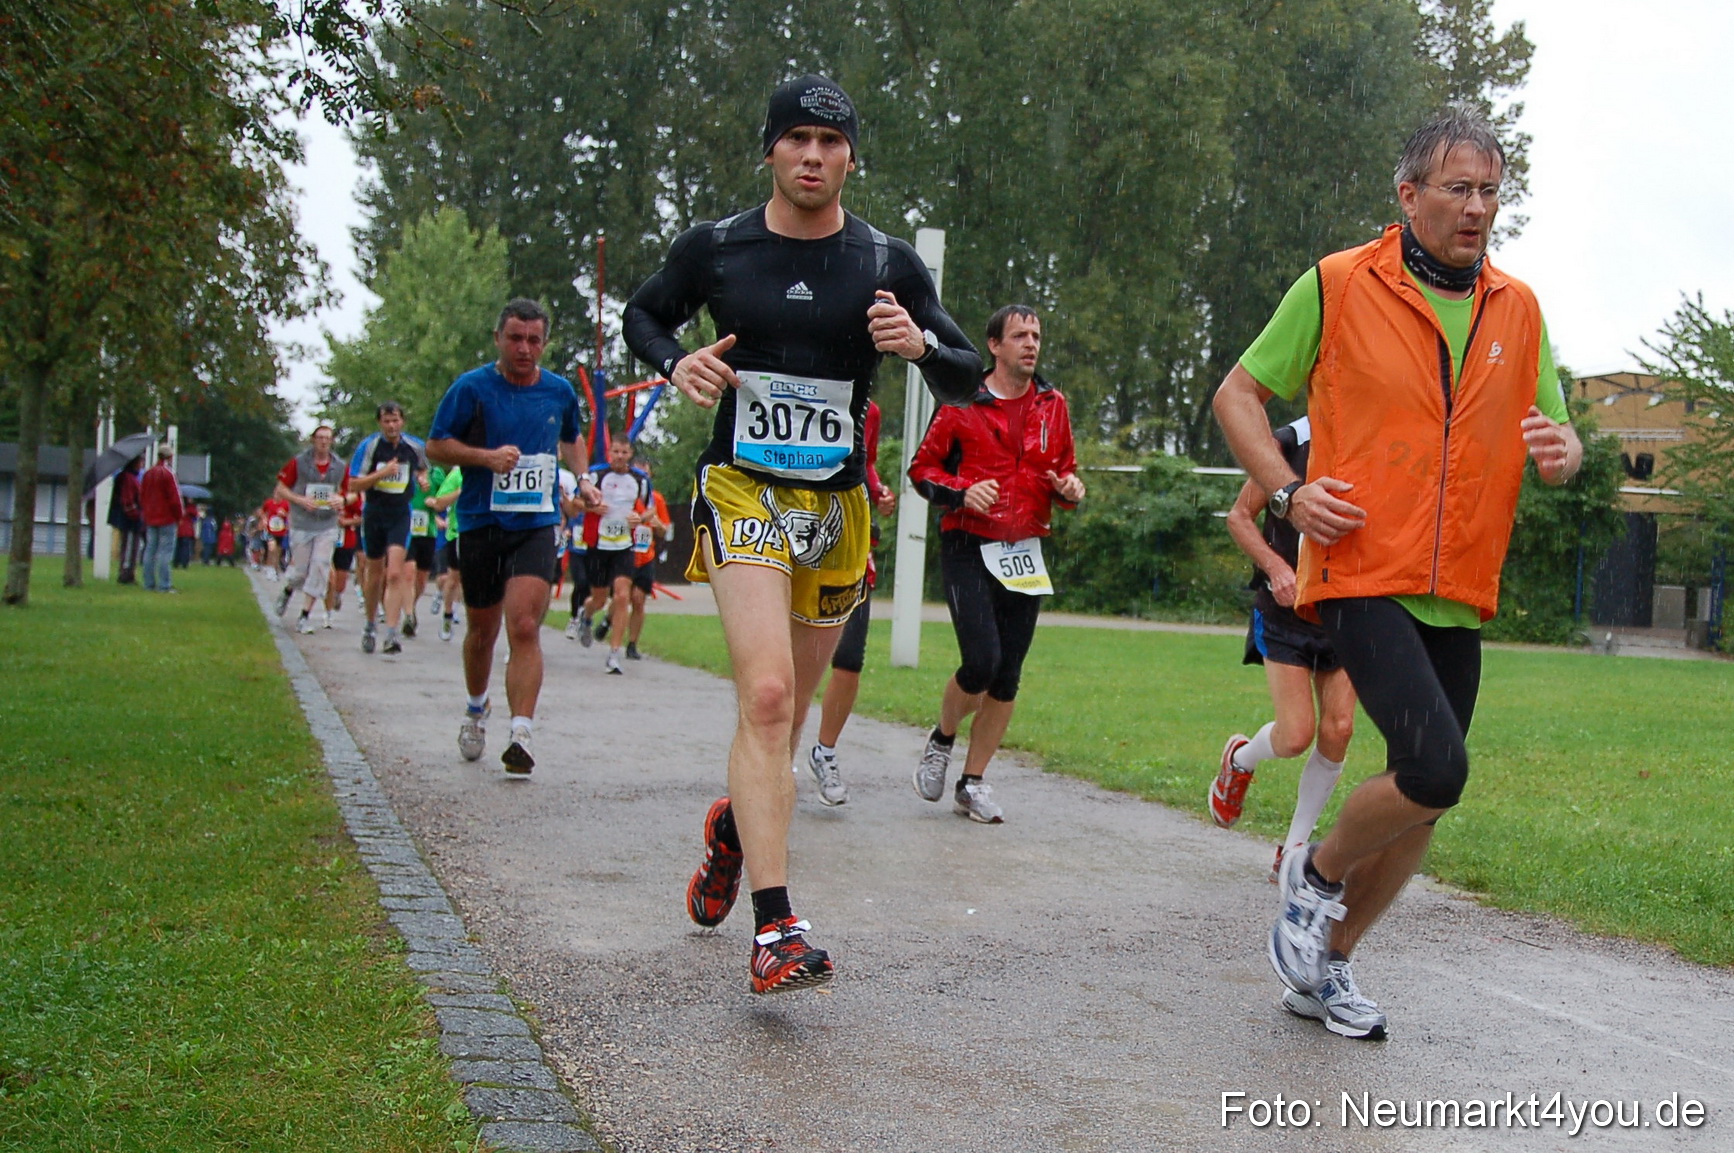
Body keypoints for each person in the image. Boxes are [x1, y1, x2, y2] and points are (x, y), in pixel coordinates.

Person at [1213, 109, 1582, 1041]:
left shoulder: (1520, 309)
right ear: (1408, 193)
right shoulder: (1339, 284)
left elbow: (1560, 435)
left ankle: (1327, 968)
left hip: (1459, 581)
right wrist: (1288, 495)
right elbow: (1237, 396)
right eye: (1458, 188)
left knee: (1428, 799)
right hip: (1359, 564)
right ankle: (1315, 874)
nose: (1477, 208)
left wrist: (1564, 449)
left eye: (1492, 191)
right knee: (1434, 762)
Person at [624, 75, 979, 994]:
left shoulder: (885, 262)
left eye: (831, 141)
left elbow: (969, 377)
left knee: (779, 734)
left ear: (852, 157)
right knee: (771, 697)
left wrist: (920, 348)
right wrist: (678, 361)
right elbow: (643, 313)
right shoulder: (717, 248)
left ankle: (731, 835)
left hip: (835, 507)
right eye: (798, 140)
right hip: (741, 488)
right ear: (771, 150)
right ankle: (776, 927)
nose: (814, 156)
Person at [908, 305, 1084, 824]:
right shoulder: (963, 400)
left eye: (1036, 336)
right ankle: (942, 739)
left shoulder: (1053, 405)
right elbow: (922, 471)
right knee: (981, 661)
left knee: (1007, 675)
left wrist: (1070, 489)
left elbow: (1065, 473)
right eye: (1019, 336)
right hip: (968, 544)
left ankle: (973, 781)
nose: (1031, 344)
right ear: (994, 345)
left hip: (1025, 548)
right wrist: (963, 492)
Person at [427, 298, 597, 774]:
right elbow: (437, 446)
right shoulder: (471, 388)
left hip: (536, 525)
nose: (525, 348)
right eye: (516, 338)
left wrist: (583, 478)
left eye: (534, 340)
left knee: (523, 625)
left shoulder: (559, 391)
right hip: (481, 522)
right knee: (482, 630)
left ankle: (522, 731)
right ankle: (476, 708)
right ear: (499, 338)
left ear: (544, 343)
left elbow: (571, 438)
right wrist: (485, 458)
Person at [1209, 417, 1357, 883]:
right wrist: (1276, 567)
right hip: (1286, 612)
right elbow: (1239, 517)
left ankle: (1293, 849)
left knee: (1339, 729)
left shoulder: (1382, 438)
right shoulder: (1292, 442)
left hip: (1349, 611)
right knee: (1296, 736)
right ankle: (1240, 759)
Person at [804, 399, 895, 805]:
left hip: (851, 542)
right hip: (798, 533)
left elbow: (866, 462)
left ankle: (825, 751)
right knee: (794, 658)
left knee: (849, 657)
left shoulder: (870, 410)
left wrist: (878, 491)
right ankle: (773, 753)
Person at [349, 402, 429, 655]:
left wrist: (422, 479)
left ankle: (392, 633)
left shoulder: (414, 446)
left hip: (400, 514)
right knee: (375, 575)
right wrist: (381, 473)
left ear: (402, 422)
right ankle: (370, 625)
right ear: (380, 423)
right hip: (374, 513)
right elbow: (354, 484)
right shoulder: (370, 447)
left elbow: (422, 468)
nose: (392, 426)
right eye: (386, 421)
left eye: (395, 421)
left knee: (395, 573)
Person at [577, 437, 652, 674]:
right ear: (609, 452)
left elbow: (650, 509)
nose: (620, 456)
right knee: (598, 599)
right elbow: (575, 501)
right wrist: (591, 507)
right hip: (599, 545)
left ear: (630, 454)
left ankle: (614, 654)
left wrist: (640, 518)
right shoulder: (597, 475)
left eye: (624, 452)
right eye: (616, 451)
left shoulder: (640, 479)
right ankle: (586, 614)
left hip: (624, 546)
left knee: (622, 596)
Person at [273, 424, 351, 634]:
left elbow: (352, 493)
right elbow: (281, 488)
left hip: (327, 524)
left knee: (320, 566)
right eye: (320, 438)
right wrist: (300, 500)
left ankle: (304, 616)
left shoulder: (340, 467)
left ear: (332, 441)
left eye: (327, 438)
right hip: (302, 523)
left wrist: (341, 499)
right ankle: (288, 590)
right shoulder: (298, 463)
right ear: (313, 440)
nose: (324, 442)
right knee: (301, 571)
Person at [623, 458, 671, 660]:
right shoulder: (623, 496)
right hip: (624, 554)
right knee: (621, 596)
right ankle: (608, 620)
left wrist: (656, 523)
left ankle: (632, 644)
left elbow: (663, 529)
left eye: (646, 474)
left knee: (638, 599)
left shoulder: (656, 500)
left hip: (645, 556)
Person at [425, 465, 465, 641]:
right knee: (453, 578)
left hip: (484, 532)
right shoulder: (457, 474)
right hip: (457, 532)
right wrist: (460, 492)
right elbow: (439, 502)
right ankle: (448, 616)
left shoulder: (492, 471)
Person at [139, 443, 182, 593]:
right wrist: (178, 516)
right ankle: (164, 585)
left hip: (151, 518)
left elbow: (142, 495)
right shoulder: (168, 473)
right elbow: (175, 499)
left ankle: (148, 583)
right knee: (165, 552)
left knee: (150, 550)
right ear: (170, 456)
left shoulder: (148, 473)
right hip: (167, 518)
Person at [109, 455, 145, 584]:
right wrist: (136, 514)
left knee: (130, 546)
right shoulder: (128, 478)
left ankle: (128, 572)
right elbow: (127, 500)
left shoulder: (128, 477)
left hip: (129, 518)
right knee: (130, 547)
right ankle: (126, 574)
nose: (142, 464)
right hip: (130, 520)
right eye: (141, 461)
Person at [174, 496, 197, 568]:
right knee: (185, 547)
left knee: (178, 547)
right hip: (187, 530)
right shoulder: (190, 508)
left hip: (179, 529)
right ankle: (184, 563)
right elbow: (195, 515)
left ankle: (177, 562)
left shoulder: (179, 507)